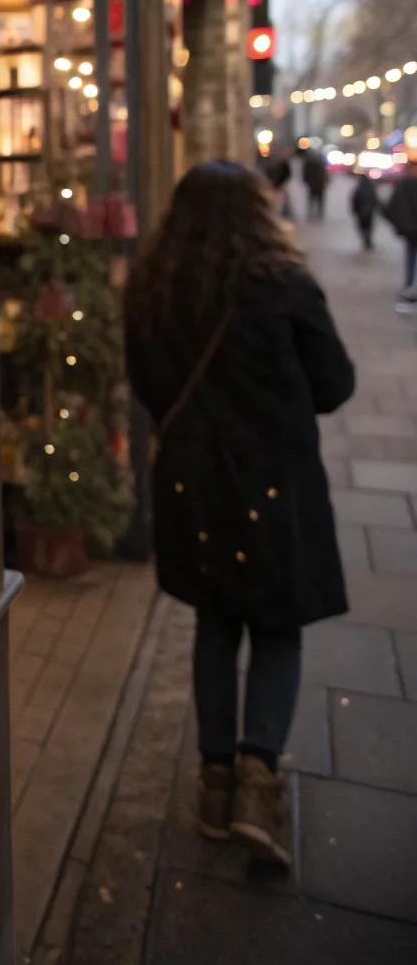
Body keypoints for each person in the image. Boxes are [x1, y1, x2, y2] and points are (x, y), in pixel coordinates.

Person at [124, 161, 354, 867]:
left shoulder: (152, 287)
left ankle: (214, 783)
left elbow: (150, 387)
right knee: (277, 625)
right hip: (275, 482)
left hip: (194, 484)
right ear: (257, 212)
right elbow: (335, 384)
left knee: (216, 622)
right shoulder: (283, 283)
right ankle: (259, 784)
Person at [384, 157, 417, 313]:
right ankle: (410, 286)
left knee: (411, 257)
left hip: (409, 229)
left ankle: (410, 285)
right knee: (411, 257)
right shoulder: (404, 184)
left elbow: (392, 207)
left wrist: (400, 224)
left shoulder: (403, 184)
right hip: (410, 229)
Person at [350, 171, 379, 251]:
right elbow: (375, 200)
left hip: (361, 212)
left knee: (362, 227)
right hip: (369, 212)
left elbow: (354, 201)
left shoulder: (358, 189)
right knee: (369, 227)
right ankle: (368, 240)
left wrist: (354, 210)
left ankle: (366, 240)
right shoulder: (371, 188)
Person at [302, 148, 329, 221]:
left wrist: (306, 180)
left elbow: (305, 173)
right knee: (319, 199)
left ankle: (315, 212)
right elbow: (325, 173)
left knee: (313, 198)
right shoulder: (319, 162)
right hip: (318, 183)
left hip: (314, 183)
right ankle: (318, 212)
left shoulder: (309, 162)